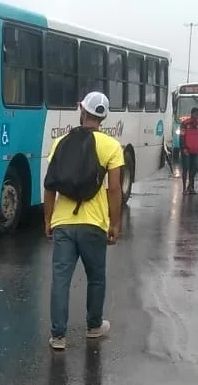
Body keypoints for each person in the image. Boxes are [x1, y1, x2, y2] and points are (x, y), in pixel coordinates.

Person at [44, 91, 124, 350]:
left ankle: (58, 336)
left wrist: (48, 220)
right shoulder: (111, 146)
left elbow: (50, 187)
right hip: (94, 224)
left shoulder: (60, 142)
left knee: (60, 280)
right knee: (96, 277)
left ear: (83, 110)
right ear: (103, 116)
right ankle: (93, 326)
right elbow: (114, 189)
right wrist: (115, 223)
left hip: (64, 224)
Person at [179, 107, 198, 195]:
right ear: (192, 114)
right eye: (196, 114)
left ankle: (191, 187)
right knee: (185, 168)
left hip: (196, 150)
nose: (197, 116)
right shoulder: (185, 123)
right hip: (186, 150)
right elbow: (181, 136)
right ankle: (184, 188)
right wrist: (183, 148)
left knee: (195, 167)